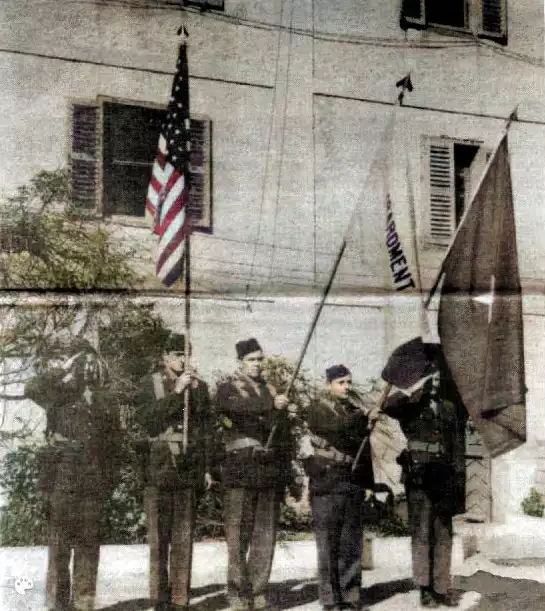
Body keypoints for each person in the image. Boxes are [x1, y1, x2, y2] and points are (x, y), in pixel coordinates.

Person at [25, 341, 120, 611]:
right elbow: (31, 388)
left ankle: (84, 602)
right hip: (62, 476)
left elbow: (114, 443)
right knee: (60, 543)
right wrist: (62, 369)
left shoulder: (105, 399)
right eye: (81, 363)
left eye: (91, 361)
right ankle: (58, 604)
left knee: (89, 543)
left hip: (93, 478)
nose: (87, 368)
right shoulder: (59, 394)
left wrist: (109, 482)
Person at [375, 342, 466, 608]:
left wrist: (458, 477)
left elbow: (457, 442)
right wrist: (414, 387)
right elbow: (388, 406)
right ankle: (424, 588)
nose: (436, 380)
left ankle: (441, 587)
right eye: (431, 375)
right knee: (422, 533)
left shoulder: (449, 406)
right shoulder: (411, 403)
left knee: (444, 533)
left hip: (444, 476)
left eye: (438, 374)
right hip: (418, 475)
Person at [134, 332, 214, 611]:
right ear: (165, 357)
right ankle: (159, 599)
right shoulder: (149, 384)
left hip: (188, 469)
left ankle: (181, 598)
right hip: (158, 469)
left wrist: (206, 468)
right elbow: (146, 419)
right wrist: (177, 392)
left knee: (183, 537)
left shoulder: (200, 388)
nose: (183, 359)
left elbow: (205, 431)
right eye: (177, 354)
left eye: (186, 354)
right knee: (158, 540)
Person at [215, 338, 294, 611]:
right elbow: (238, 411)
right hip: (240, 469)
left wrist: (288, 474)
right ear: (240, 363)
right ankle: (237, 591)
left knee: (265, 535)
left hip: (268, 469)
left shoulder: (272, 391)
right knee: (237, 534)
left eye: (260, 359)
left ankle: (259, 590)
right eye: (252, 359)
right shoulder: (228, 389)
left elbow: (282, 434)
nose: (257, 364)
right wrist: (273, 406)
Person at [300, 364, 375, 611]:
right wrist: (364, 417)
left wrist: (368, 483)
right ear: (329, 384)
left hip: (351, 482)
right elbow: (337, 430)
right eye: (341, 383)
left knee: (350, 544)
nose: (346, 387)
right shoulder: (316, 408)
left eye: (349, 382)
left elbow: (363, 450)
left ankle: (350, 596)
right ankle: (330, 599)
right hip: (326, 482)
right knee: (327, 545)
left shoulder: (355, 411)